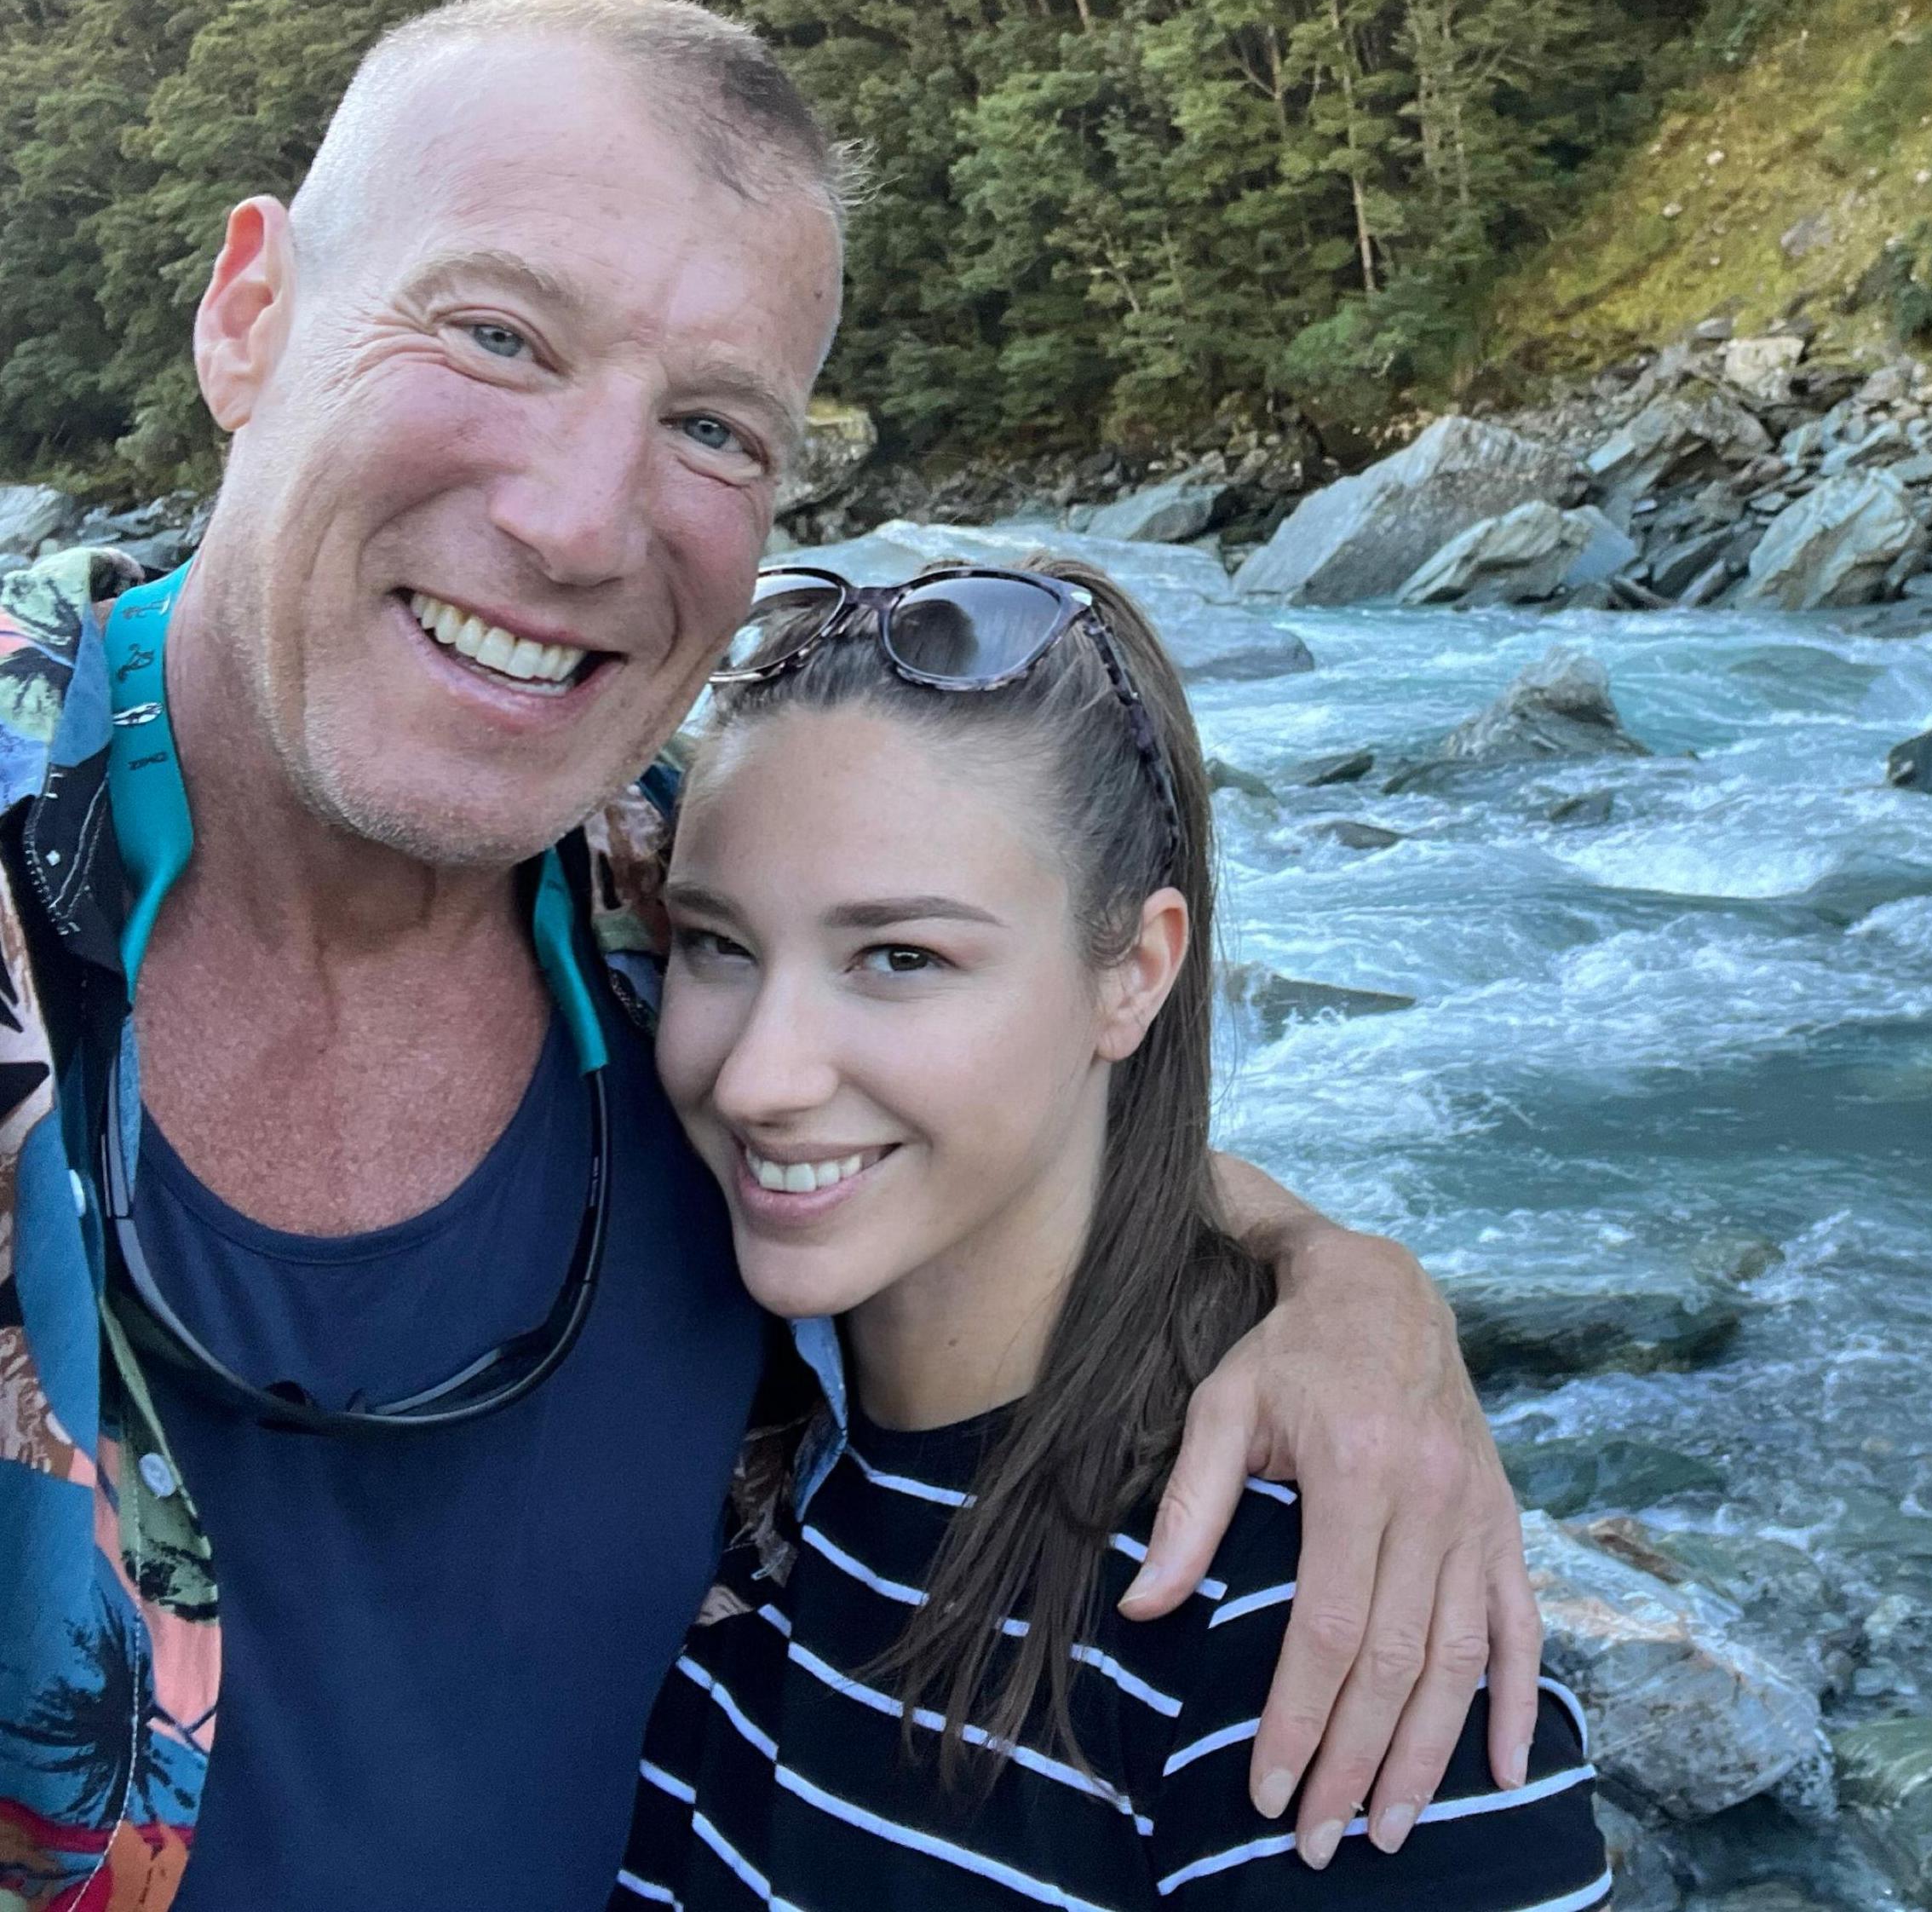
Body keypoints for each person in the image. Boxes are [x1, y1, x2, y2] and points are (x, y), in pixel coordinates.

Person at [0, 0, 1536, 1912]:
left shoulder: (674, 941)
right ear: (252, 313)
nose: (574, 521)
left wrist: (1346, 1285)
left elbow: (973, 1105)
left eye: (714, 426)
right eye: (494, 331)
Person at [618, 558, 1606, 1910]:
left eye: (900, 957)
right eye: (719, 945)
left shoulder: (1309, 1618)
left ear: (1135, 972)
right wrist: (1340, 1265)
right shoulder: (730, 1393)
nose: (758, 1078)